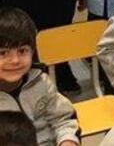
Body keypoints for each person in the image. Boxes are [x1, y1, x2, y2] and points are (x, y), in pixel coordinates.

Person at [0, 8, 79, 146]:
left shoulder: (41, 82)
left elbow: (64, 119)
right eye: (3, 53)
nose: (15, 60)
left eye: (22, 51)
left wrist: (67, 140)